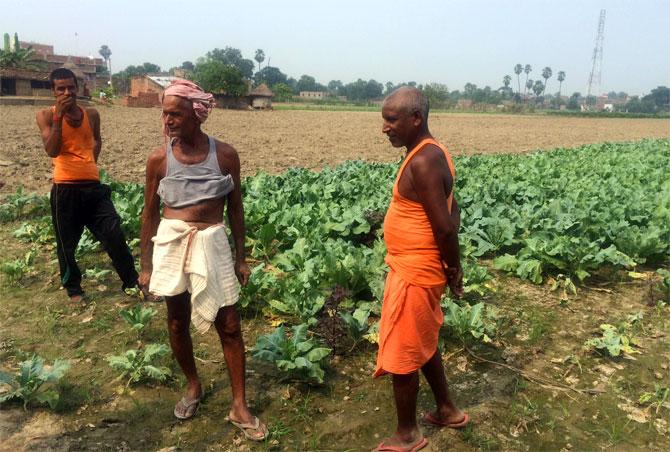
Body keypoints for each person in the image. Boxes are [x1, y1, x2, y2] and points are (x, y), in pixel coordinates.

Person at [139, 79, 267, 441]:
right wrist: (146, 265)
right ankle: (193, 384)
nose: (168, 121)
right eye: (165, 114)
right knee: (177, 322)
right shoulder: (158, 160)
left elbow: (236, 209)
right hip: (172, 242)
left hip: (211, 242)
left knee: (229, 323)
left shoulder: (224, 155)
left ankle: (239, 404)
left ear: (197, 115)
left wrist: (241, 257)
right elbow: (148, 213)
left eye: (175, 114)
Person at [373, 87, 468, 452]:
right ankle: (447, 409)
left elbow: (445, 227)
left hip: (416, 272)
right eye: (384, 118)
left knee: (402, 351)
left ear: (416, 119)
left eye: (392, 119)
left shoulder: (423, 161)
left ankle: (407, 433)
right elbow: (452, 208)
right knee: (422, 340)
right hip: (415, 267)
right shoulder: (431, 152)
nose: (385, 127)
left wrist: (454, 269)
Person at [36, 67, 139, 303]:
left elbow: (97, 139)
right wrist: (58, 117)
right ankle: (74, 289)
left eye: (70, 87)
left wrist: (90, 161)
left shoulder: (91, 114)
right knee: (67, 244)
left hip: (93, 188)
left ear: (78, 88)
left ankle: (131, 282)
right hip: (65, 189)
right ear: (53, 91)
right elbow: (51, 149)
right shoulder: (45, 115)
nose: (67, 92)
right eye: (60, 88)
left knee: (113, 233)